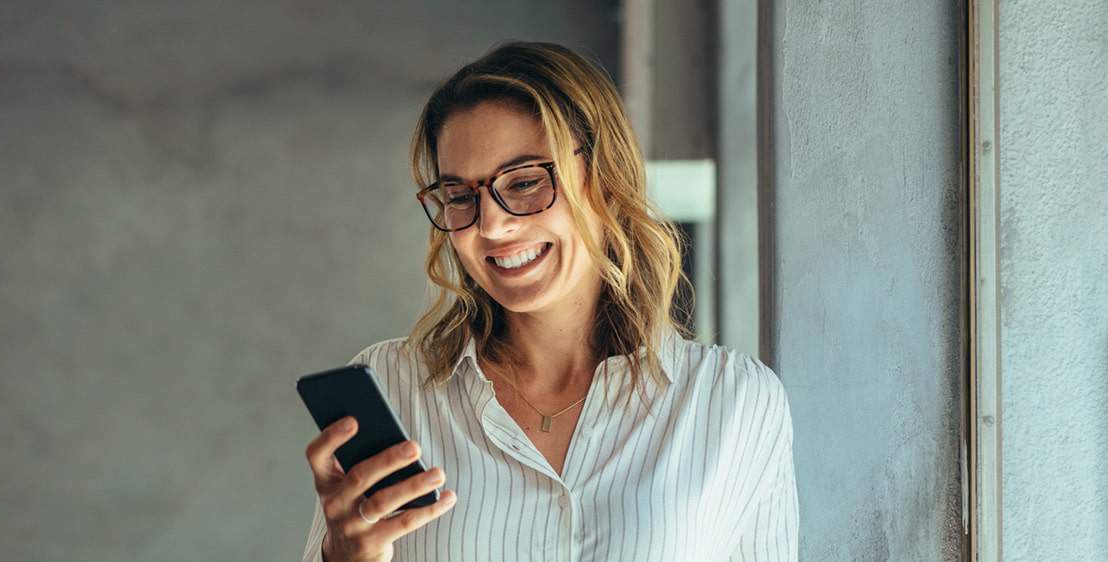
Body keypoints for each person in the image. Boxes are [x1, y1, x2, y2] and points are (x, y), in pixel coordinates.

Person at [299, 41, 797, 562]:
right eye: (460, 196)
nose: (491, 225)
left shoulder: (734, 401)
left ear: (604, 180)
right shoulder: (393, 390)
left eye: (526, 182)